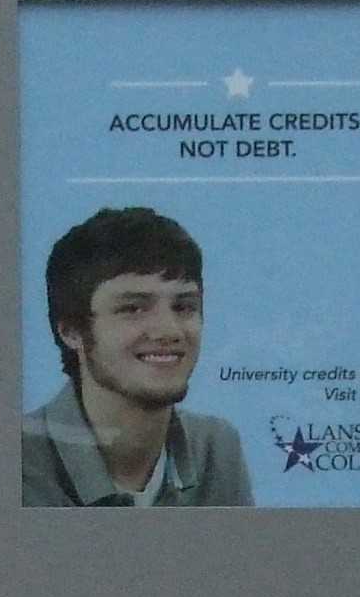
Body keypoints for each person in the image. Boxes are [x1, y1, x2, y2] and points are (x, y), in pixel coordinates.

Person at [22, 204, 251, 505]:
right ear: (72, 332)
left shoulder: (215, 448)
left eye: (183, 306)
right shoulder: (18, 463)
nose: (169, 330)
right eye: (132, 309)